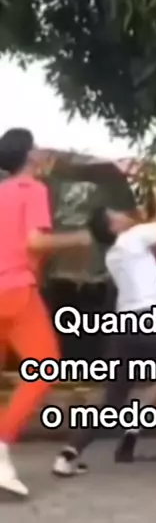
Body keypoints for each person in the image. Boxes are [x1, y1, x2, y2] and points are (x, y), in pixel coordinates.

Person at [52, 205, 156, 477]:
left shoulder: (113, 254)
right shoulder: (134, 236)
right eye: (117, 214)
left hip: (124, 329)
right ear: (113, 225)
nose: (125, 215)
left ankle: (69, 454)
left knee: (112, 400)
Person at [0, 128, 91, 498]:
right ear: (28, 156)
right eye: (35, 146)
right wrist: (81, 238)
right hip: (16, 289)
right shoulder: (32, 189)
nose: (41, 151)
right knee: (45, 366)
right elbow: (34, 241)